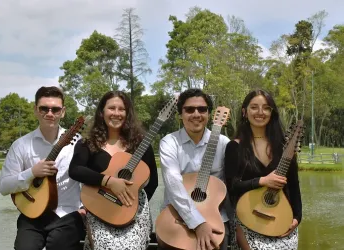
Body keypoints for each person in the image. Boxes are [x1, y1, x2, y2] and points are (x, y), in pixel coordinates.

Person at [0, 86, 86, 250]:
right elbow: (3, 186)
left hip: (67, 213)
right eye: (44, 108)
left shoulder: (78, 143)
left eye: (55, 109)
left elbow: (88, 178)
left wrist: (85, 208)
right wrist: (32, 172)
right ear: (36, 110)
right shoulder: (21, 145)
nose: (50, 113)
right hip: (31, 213)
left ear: (63, 111)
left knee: (59, 245)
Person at [69, 90, 158, 250]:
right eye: (111, 108)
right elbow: (75, 170)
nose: (116, 113)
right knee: (104, 246)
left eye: (121, 109)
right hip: (99, 210)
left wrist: (130, 207)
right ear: (102, 112)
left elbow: (153, 182)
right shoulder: (88, 143)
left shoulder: (140, 143)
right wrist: (108, 182)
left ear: (127, 113)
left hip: (134, 213)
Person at [224, 89, 302, 249]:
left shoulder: (285, 147)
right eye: (254, 107)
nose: (260, 112)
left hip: (281, 221)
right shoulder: (234, 147)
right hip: (248, 221)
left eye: (266, 107)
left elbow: (294, 186)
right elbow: (231, 187)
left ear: (272, 113)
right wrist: (262, 181)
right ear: (244, 112)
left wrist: (297, 218)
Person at [159, 88, 230, 250]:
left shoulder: (223, 143)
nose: (196, 114)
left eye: (202, 109)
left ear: (209, 114)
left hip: (216, 221)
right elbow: (173, 184)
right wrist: (197, 223)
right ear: (180, 114)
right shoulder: (169, 142)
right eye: (189, 109)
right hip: (175, 220)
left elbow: (232, 184)